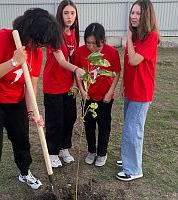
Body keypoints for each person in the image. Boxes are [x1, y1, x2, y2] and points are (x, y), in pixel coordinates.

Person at [0, 8, 62, 200]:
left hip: (15, 101)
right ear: (27, 31)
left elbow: (31, 87)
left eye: (42, 44)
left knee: (22, 141)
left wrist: (32, 112)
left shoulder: (36, 54)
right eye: (38, 42)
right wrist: (13, 62)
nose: (38, 47)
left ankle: (24, 172)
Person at [116, 0, 160, 181]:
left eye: (138, 13)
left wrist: (128, 38)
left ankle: (134, 169)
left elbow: (134, 59)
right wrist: (123, 85)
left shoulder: (151, 37)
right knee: (129, 127)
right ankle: (128, 158)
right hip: (131, 90)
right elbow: (128, 64)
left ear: (146, 16)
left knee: (132, 130)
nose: (133, 17)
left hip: (142, 93)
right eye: (132, 13)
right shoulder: (136, 37)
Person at [43, 0, 85, 168]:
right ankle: (52, 152)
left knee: (70, 117)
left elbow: (73, 58)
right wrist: (77, 70)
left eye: (72, 13)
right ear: (60, 14)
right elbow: (60, 60)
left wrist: (76, 84)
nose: (69, 17)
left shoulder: (74, 34)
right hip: (53, 85)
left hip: (68, 86)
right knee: (55, 120)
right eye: (66, 13)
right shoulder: (54, 34)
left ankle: (64, 148)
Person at [73, 23, 121, 167]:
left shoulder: (111, 52)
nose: (91, 47)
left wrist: (110, 92)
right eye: (88, 43)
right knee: (89, 125)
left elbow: (117, 72)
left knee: (104, 125)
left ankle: (101, 153)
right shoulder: (80, 52)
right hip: (88, 96)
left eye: (95, 44)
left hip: (105, 97)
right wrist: (81, 90)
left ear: (103, 41)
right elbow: (77, 72)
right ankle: (91, 151)